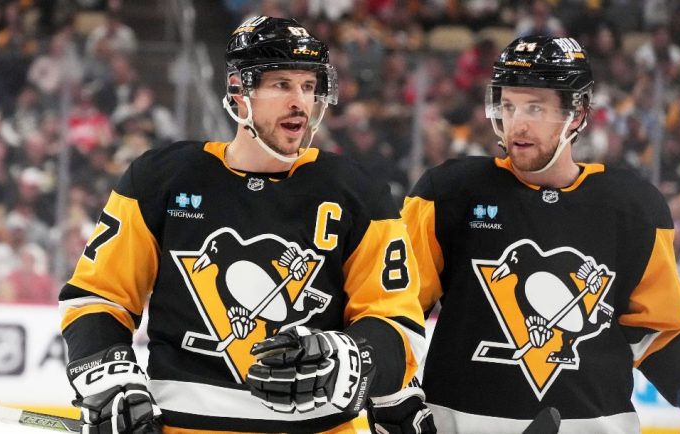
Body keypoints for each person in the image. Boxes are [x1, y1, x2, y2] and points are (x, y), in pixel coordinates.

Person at [59, 16, 426, 434]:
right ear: (238, 92)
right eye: (281, 84)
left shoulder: (358, 192)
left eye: (308, 86)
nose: (300, 103)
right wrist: (111, 382)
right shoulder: (159, 179)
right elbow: (97, 297)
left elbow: (399, 325)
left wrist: (352, 355)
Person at [388, 35, 680, 433]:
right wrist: (393, 401)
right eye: (508, 105)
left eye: (535, 107)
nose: (518, 123)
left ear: (577, 114)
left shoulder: (632, 209)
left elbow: (657, 333)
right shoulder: (449, 194)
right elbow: (394, 313)